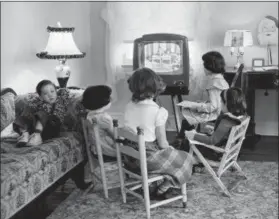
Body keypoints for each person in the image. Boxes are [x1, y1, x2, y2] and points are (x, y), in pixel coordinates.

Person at [124, 67, 194, 199]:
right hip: (147, 159)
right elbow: (162, 143)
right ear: (156, 88)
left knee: (172, 157)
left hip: (129, 159)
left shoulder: (129, 105)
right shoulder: (158, 111)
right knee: (186, 159)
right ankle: (163, 188)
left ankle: (153, 185)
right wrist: (171, 149)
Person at [174, 51, 229, 147]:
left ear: (210, 67)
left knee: (187, 113)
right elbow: (217, 102)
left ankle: (183, 141)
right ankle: (184, 139)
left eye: (204, 65)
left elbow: (213, 107)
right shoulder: (220, 80)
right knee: (188, 113)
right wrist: (201, 104)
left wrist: (196, 106)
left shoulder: (214, 83)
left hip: (215, 115)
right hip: (221, 112)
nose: (203, 67)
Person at [183, 87, 248, 167]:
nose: (220, 104)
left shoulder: (227, 120)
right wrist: (215, 130)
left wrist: (192, 135)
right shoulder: (241, 117)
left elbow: (212, 140)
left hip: (218, 154)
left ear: (228, 103)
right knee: (198, 134)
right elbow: (226, 133)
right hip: (230, 152)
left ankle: (195, 163)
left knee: (186, 143)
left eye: (221, 102)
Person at [13, 80, 70, 147]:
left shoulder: (60, 101)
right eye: (45, 94)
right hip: (36, 128)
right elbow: (30, 111)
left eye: (52, 91)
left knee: (42, 113)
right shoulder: (39, 103)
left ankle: (37, 136)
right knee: (22, 116)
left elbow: (64, 92)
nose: (50, 95)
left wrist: (62, 85)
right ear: (40, 97)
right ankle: (25, 134)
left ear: (56, 92)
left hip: (52, 126)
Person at [81, 85, 116, 158]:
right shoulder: (104, 118)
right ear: (102, 101)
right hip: (107, 152)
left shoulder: (89, 116)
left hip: (95, 151)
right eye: (109, 97)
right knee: (130, 149)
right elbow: (114, 136)